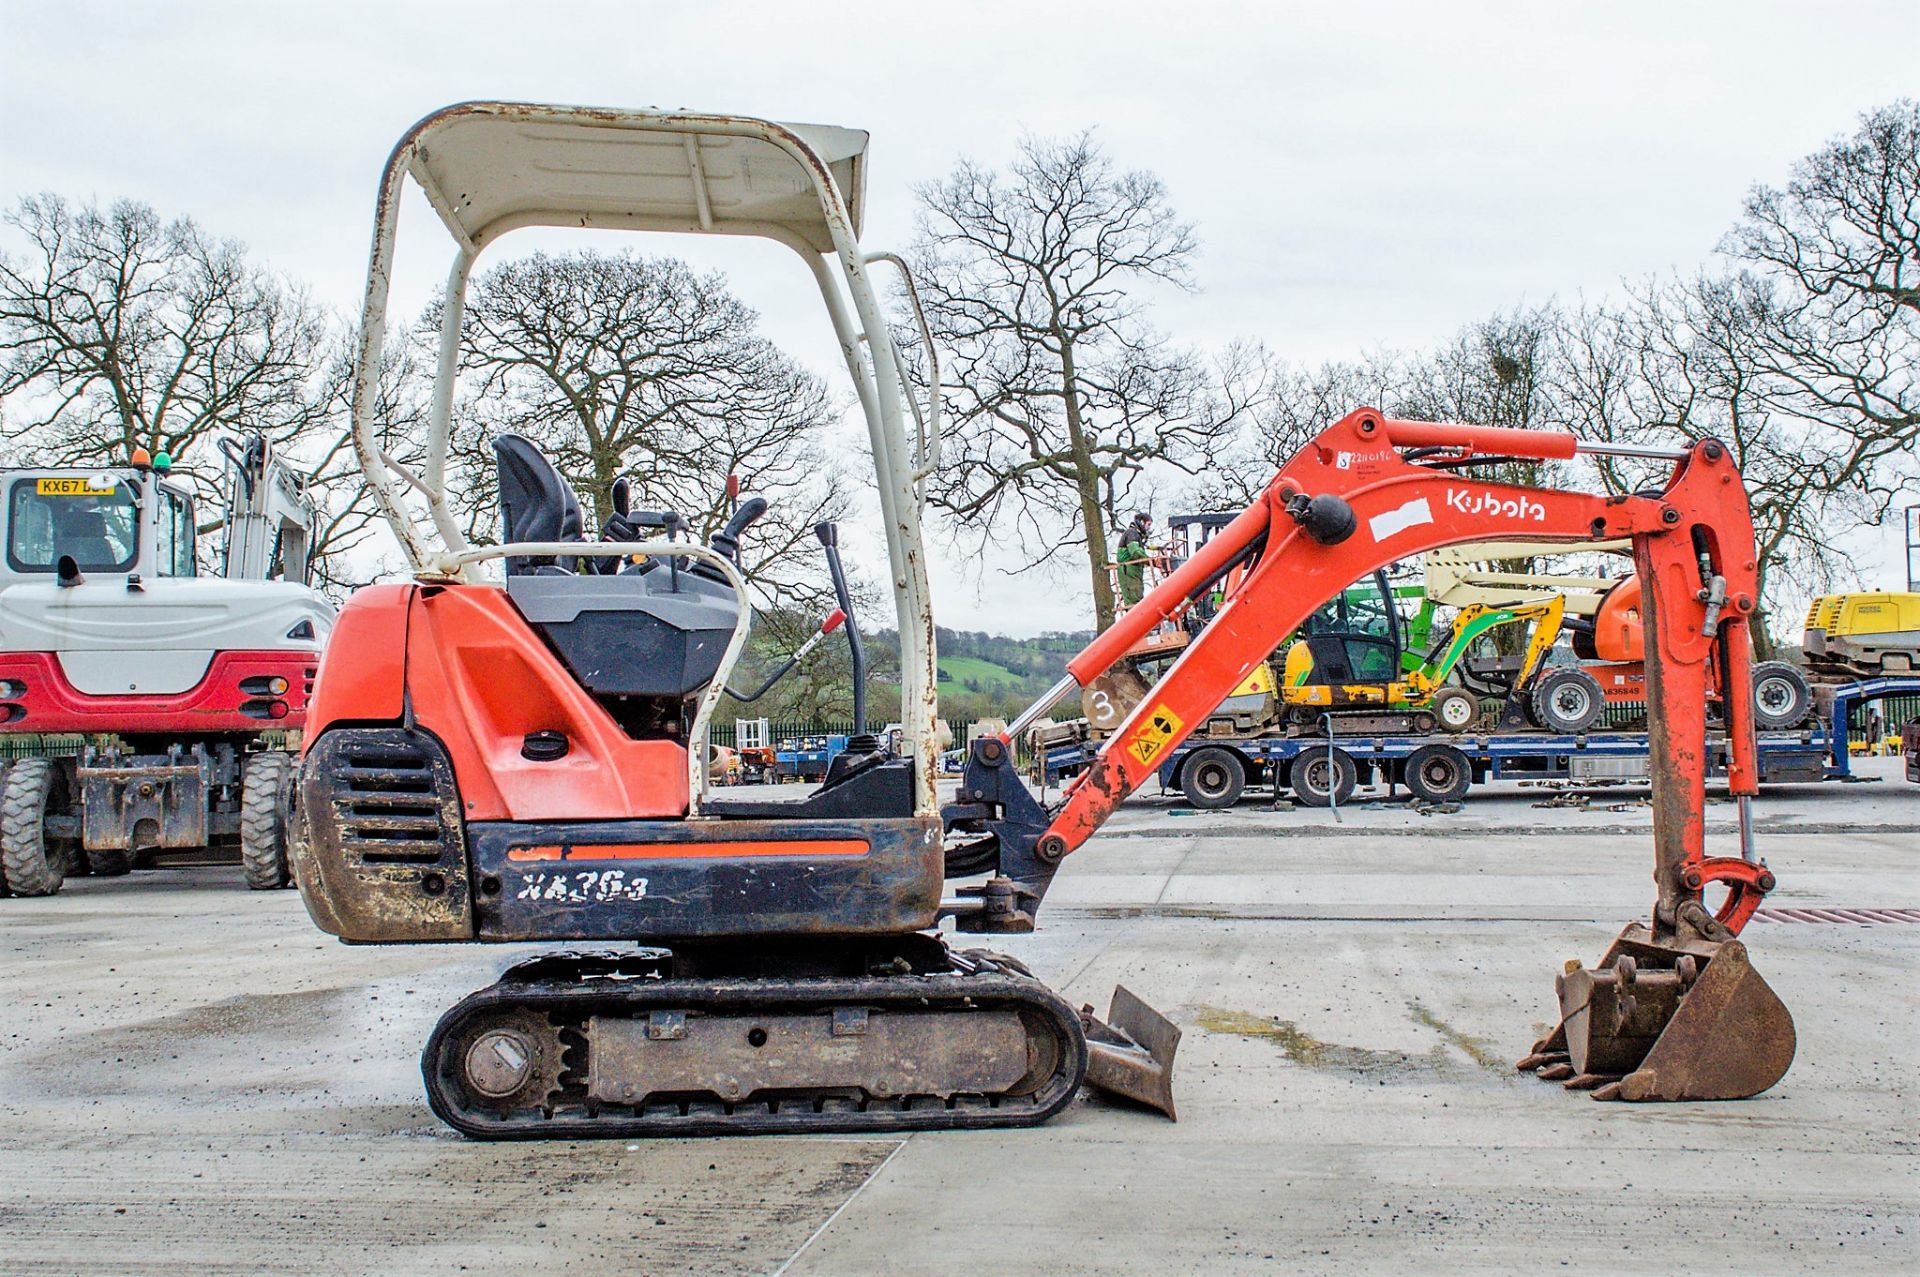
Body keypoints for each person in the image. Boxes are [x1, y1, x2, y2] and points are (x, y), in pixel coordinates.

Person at [1115, 510, 1153, 608]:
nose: (1149, 528)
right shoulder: (1132, 533)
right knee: (1134, 601)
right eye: (1148, 524)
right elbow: (1135, 552)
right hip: (1129, 571)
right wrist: (1151, 561)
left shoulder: (1136, 535)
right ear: (1142, 522)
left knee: (1137, 599)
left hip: (1133, 571)